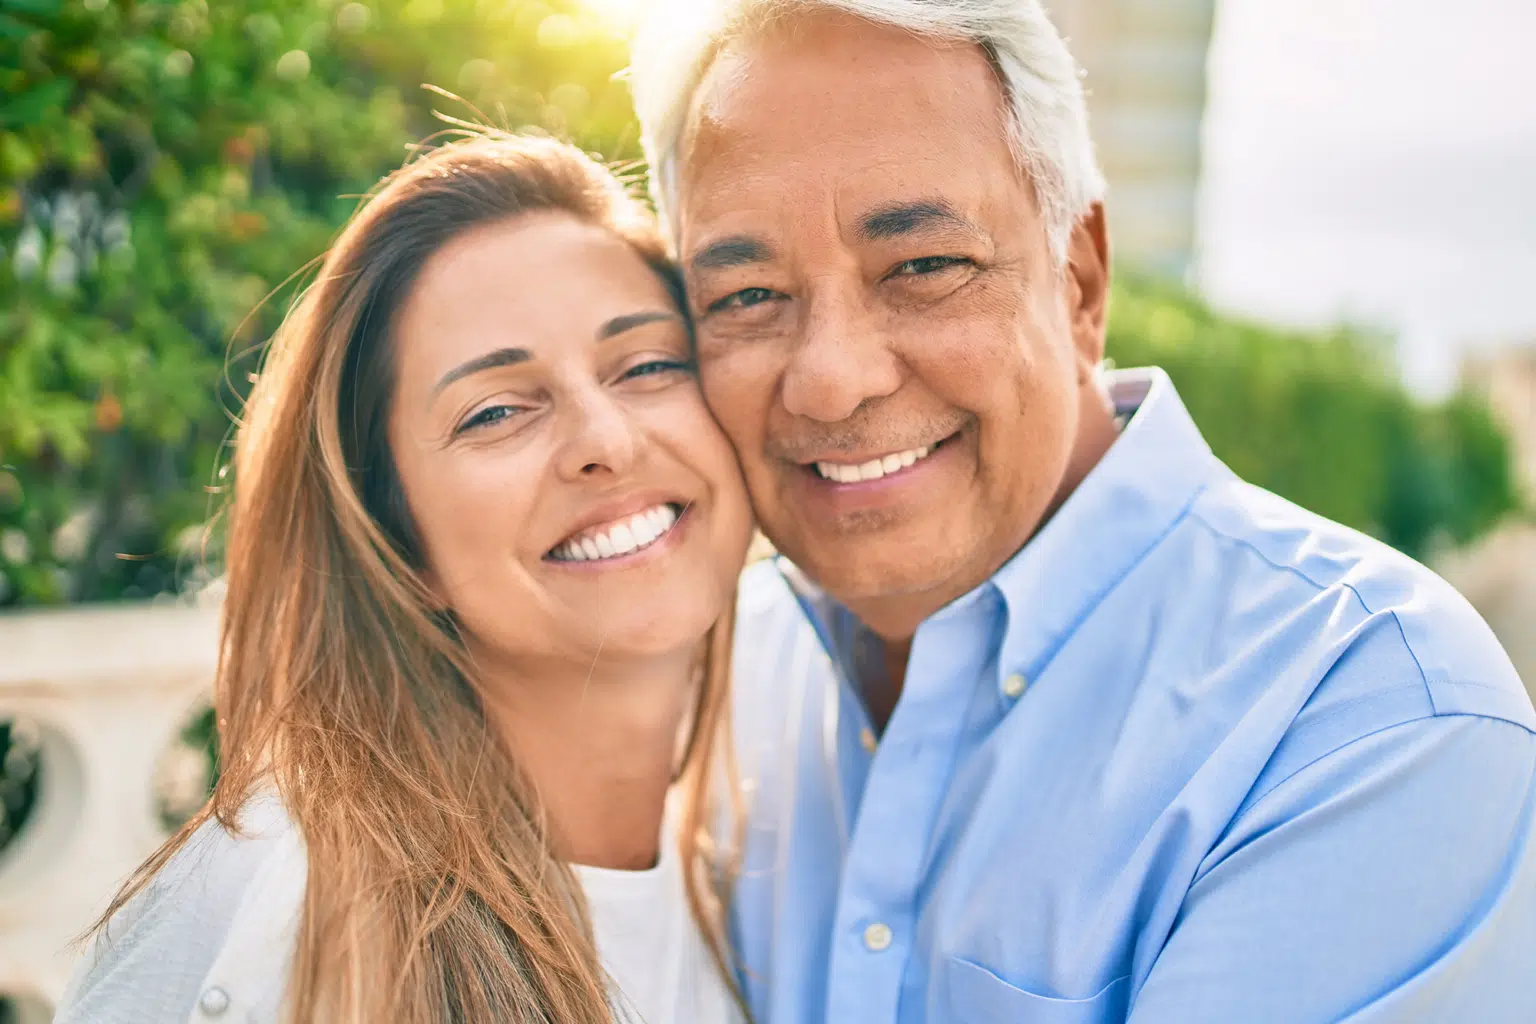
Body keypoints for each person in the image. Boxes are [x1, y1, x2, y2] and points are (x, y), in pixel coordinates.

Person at [629, 1, 1536, 1021]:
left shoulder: (1367, 722)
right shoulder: (700, 690)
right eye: (747, 294)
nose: (832, 381)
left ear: (1080, 283)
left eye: (925, 267)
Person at [55, 134, 753, 1024]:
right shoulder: (286, 920)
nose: (606, 443)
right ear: (398, 542)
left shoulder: (766, 858)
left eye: (648, 364)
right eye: (495, 412)